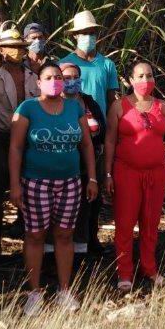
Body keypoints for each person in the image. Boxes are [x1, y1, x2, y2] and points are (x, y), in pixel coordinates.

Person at [8, 62, 98, 316]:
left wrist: (92, 178)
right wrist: (15, 184)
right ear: (38, 83)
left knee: (65, 235)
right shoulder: (28, 108)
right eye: (48, 77)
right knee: (35, 235)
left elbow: (87, 146)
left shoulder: (74, 107)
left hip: (70, 181)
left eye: (58, 77)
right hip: (36, 182)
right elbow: (15, 148)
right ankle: (34, 293)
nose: (55, 81)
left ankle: (65, 290)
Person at [104, 62, 165, 292]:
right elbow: (109, 141)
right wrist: (107, 174)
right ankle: (125, 273)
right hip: (126, 173)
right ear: (130, 80)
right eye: (140, 75)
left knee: (150, 223)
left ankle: (149, 268)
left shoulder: (162, 107)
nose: (145, 80)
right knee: (125, 224)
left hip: (156, 173)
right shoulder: (119, 106)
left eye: (149, 75)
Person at [59, 10, 120, 254]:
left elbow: (111, 98)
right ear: (75, 36)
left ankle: (91, 239)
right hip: (69, 133)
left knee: (93, 188)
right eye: (84, 33)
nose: (88, 36)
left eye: (92, 33)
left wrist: (111, 133)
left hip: (97, 134)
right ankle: (69, 241)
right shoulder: (65, 63)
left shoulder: (107, 64)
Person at [0, 24, 39, 260]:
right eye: (11, 48)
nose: (16, 51)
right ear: (2, 51)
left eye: (19, 47)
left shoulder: (34, 78)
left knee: (30, 188)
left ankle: (29, 238)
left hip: (28, 140)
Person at [58, 61, 105, 256]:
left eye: (75, 78)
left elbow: (101, 126)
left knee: (91, 204)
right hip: (65, 163)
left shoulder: (88, 101)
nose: (72, 82)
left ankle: (87, 244)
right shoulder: (53, 102)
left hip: (90, 161)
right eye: (67, 78)